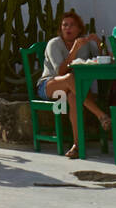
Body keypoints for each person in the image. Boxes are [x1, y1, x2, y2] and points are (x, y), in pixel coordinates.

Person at [38, 9, 110, 158]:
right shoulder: (54, 44)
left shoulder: (85, 43)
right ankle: (100, 115)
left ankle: (77, 146)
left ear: (79, 29)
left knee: (73, 97)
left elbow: (104, 59)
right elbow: (60, 72)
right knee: (70, 78)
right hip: (51, 85)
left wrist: (99, 44)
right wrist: (74, 49)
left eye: (72, 25)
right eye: (65, 25)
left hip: (76, 88)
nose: (68, 28)